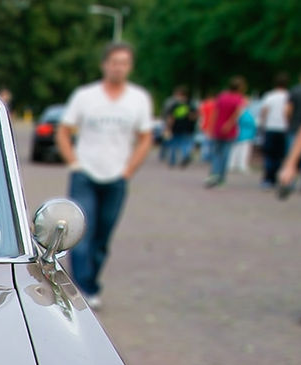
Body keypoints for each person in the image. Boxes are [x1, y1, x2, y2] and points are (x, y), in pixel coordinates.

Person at [55, 42, 155, 309]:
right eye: (114, 62)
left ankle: (92, 282)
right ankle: (82, 288)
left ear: (129, 67)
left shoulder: (138, 99)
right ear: (105, 65)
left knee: (102, 238)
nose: (118, 67)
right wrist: (74, 162)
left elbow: (146, 137)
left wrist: (129, 170)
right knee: (81, 234)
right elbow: (64, 130)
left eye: (123, 62)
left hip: (116, 177)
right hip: (85, 174)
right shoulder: (86, 96)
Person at [205, 77, 247, 187]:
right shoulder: (239, 99)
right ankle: (221, 177)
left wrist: (211, 126)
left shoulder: (222, 96)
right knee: (225, 154)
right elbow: (237, 113)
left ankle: (213, 173)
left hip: (217, 128)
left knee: (216, 152)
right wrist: (229, 124)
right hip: (230, 129)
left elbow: (215, 112)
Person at [257, 72, 292, 186]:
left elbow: (264, 112)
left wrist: (262, 124)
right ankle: (280, 176)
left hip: (271, 127)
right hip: (284, 128)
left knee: (269, 154)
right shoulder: (289, 95)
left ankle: (268, 178)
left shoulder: (269, 95)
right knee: (282, 154)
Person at [161, 85, 198, 166]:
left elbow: (171, 117)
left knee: (173, 144)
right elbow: (194, 117)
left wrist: (168, 127)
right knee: (185, 143)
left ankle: (172, 161)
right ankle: (185, 155)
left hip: (175, 127)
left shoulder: (174, 105)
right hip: (187, 127)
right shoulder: (191, 105)